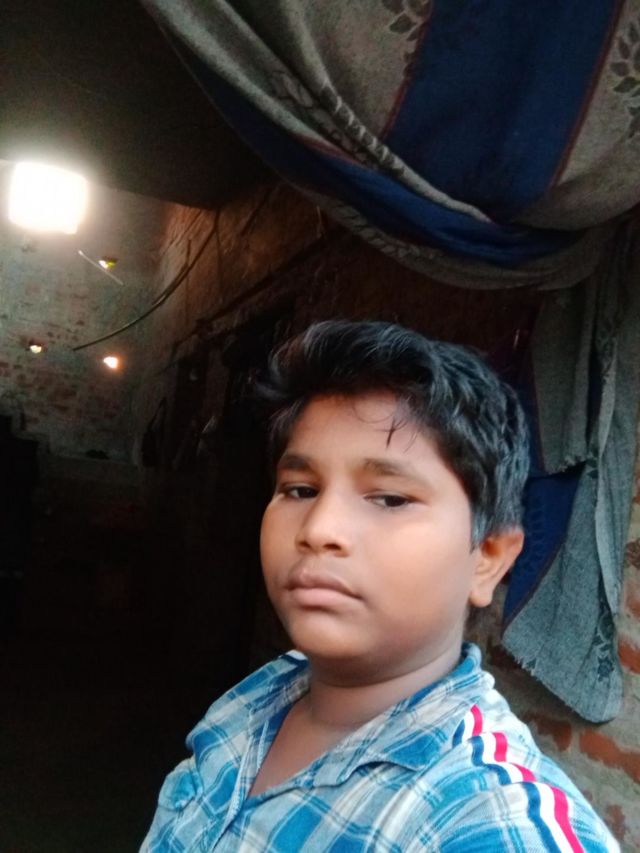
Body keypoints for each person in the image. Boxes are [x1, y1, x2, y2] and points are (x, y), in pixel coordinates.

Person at [141, 320, 618, 852]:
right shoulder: (258, 698)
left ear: (487, 559)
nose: (319, 529)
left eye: (390, 499)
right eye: (300, 489)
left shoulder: (493, 822)